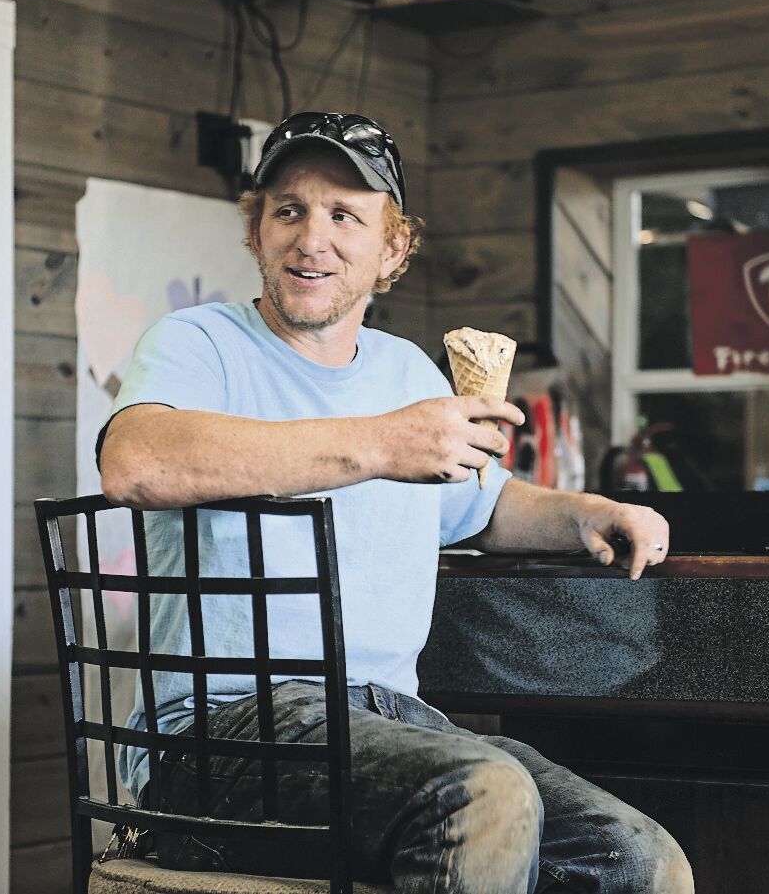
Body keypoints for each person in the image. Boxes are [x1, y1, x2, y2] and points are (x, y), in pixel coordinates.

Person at [97, 111, 692, 894]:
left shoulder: (408, 371)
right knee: (480, 792)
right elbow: (134, 461)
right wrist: (380, 444)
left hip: (390, 722)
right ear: (256, 232)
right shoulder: (196, 344)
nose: (313, 238)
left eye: (345, 214)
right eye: (289, 210)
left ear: (394, 249)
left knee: (638, 861)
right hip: (218, 735)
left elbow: (479, 506)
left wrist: (581, 511)